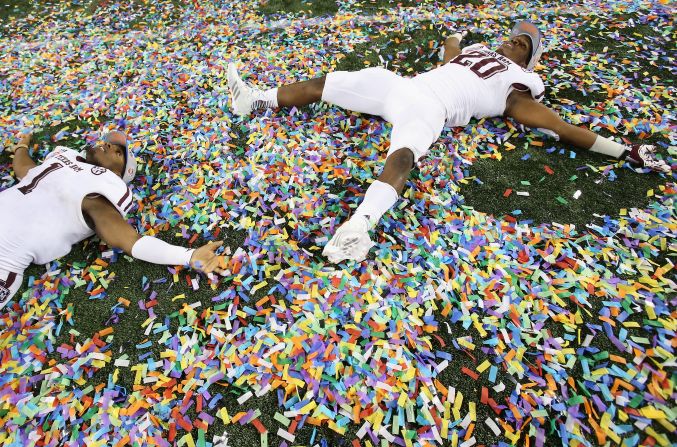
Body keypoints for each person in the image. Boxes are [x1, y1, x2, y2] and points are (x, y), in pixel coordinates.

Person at [226, 21, 672, 263]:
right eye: (515, 34)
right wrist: (453, 38)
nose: (516, 38)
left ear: (530, 58)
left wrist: (623, 150)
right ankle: (257, 101)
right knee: (331, 83)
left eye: (525, 41)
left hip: (429, 109)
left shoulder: (519, 84)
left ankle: (358, 225)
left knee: (403, 154)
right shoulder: (481, 53)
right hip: (401, 86)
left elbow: (558, 127)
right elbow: (452, 62)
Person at [0, 130, 227, 309]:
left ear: (118, 174)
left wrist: (187, 256)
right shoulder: (61, 162)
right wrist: (23, 145)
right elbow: (24, 170)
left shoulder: (98, 195)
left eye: (119, 153)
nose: (108, 145)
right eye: (110, 142)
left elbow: (128, 240)